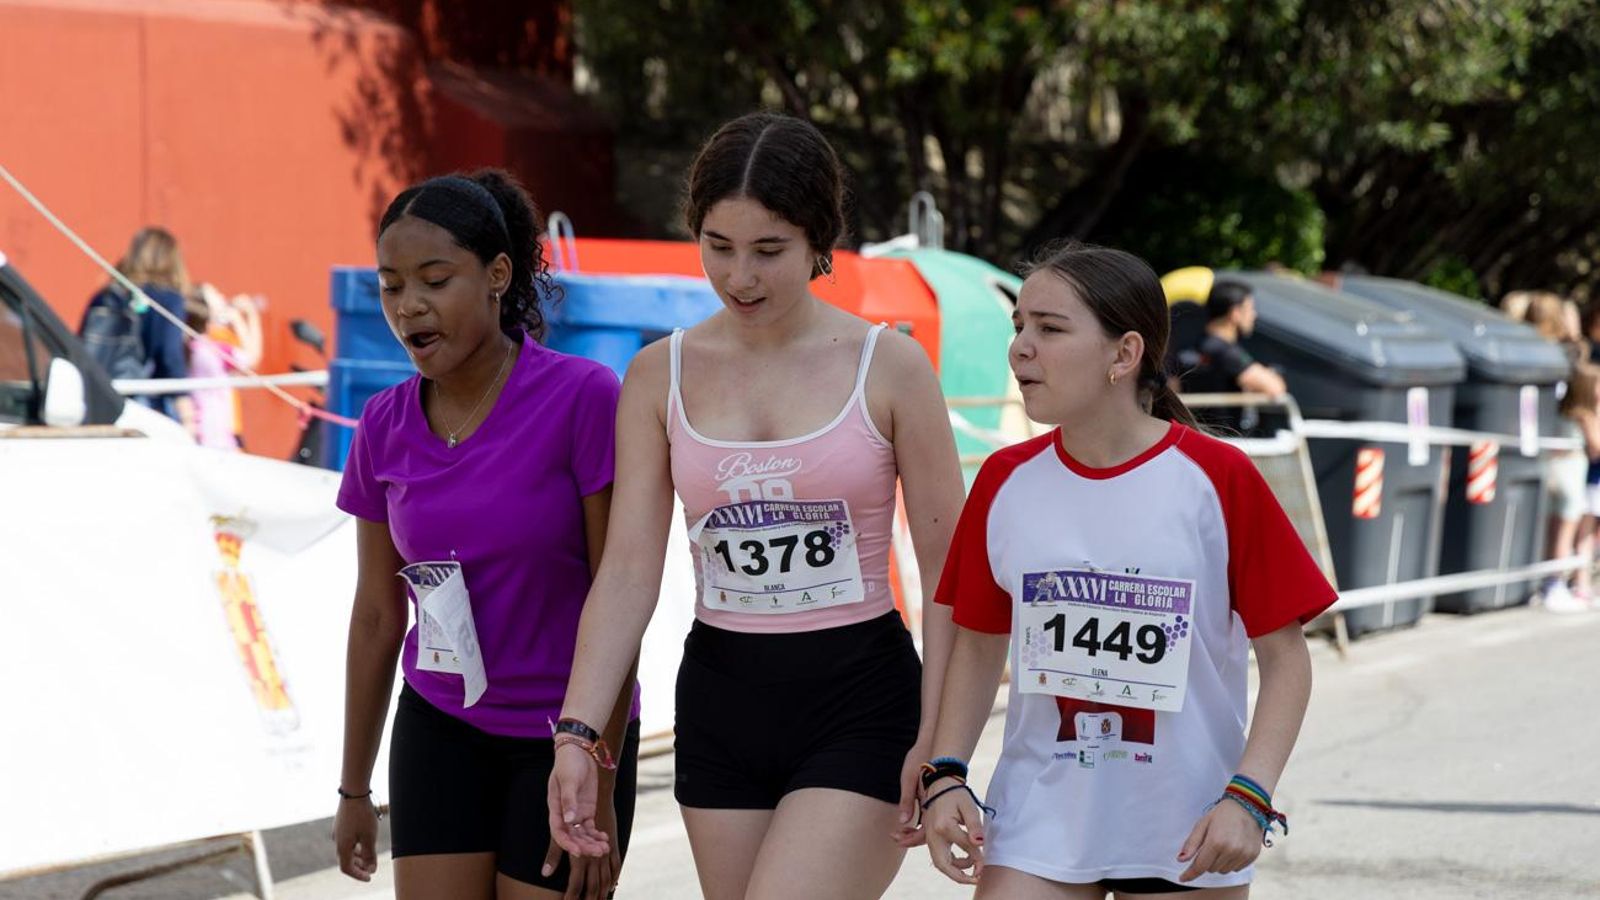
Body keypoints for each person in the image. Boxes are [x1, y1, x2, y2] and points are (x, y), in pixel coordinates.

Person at [546, 112, 966, 900]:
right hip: (721, 699)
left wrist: (943, 747)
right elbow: (631, 570)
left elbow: (952, 571)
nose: (741, 277)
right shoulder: (656, 374)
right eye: (719, 247)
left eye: (769, 251)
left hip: (861, 698)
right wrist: (577, 731)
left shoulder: (893, 366)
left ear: (819, 243)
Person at [922, 243, 1335, 897]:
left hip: (1187, 828)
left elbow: (1287, 662)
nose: (1021, 347)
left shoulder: (1219, 478)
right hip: (1040, 818)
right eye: (1018, 326)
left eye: (1050, 328)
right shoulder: (1004, 479)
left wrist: (1250, 796)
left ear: (1124, 353)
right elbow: (977, 645)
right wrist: (944, 773)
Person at [331, 169, 640, 899]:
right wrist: (352, 791)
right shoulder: (382, 424)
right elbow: (378, 613)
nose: (409, 307)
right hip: (440, 725)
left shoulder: (583, 398)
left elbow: (618, 597)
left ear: (498, 275)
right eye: (391, 285)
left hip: (566, 734)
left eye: (435, 281)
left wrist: (599, 767)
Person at [79, 226, 194, 427]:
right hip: (141, 397)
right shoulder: (167, 299)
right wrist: (185, 409)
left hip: (96, 393)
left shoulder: (106, 294)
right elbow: (169, 356)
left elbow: (82, 340)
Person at [1540, 363, 1600, 613]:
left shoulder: (1561, 411)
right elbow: (1596, 447)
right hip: (1572, 471)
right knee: (1566, 531)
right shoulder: (1585, 415)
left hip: (1554, 469)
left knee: (1553, 530)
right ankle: (1555, 584)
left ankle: (1552, 581)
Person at [182, 292, 242, 451]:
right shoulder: (213, 350)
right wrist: (241, 318)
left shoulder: (185, 348)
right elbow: (251, 356)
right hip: (218, 430)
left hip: (195, 425)